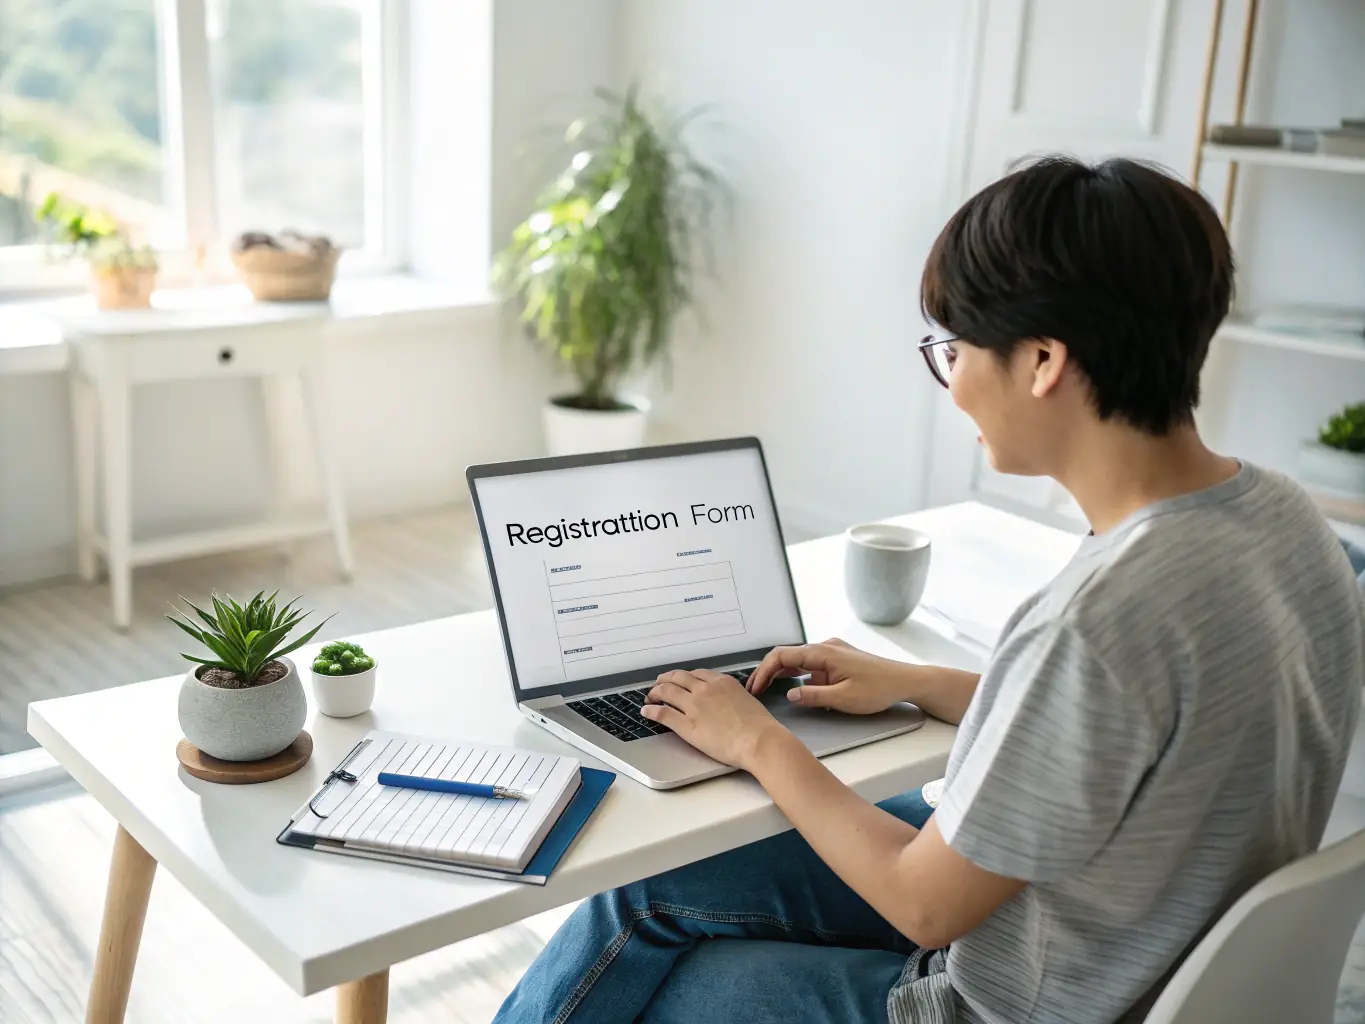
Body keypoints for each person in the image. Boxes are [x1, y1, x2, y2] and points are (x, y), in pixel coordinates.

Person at [492, 156, 1365, 1024]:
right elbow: (1135, 724)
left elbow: (925, 905)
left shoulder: (1094, 620)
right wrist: (916, 683)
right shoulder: (1290, 525)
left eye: (953, 350)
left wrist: (758, 739)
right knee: (661, 888)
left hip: (1006, 998)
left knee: (642, 943)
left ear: (1042, 360)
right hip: (1132, 947)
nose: (951, 385)